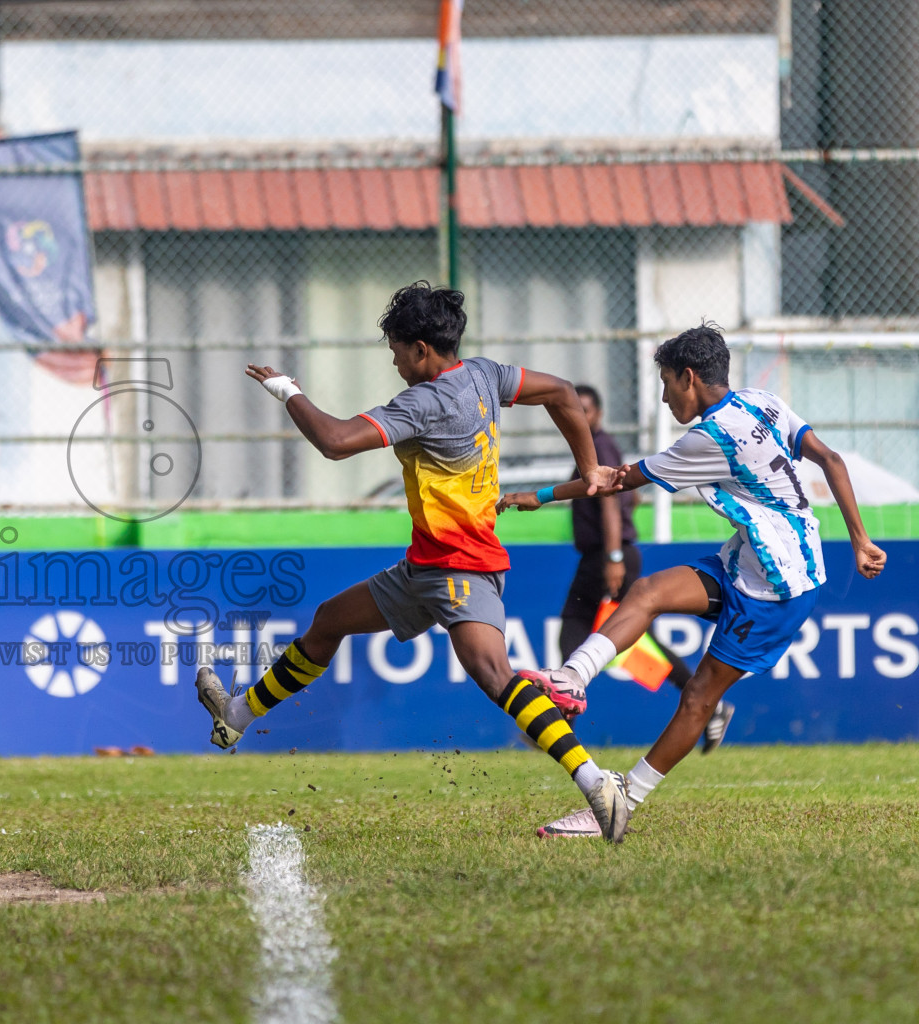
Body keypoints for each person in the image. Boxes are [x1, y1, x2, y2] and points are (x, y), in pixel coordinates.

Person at [192, 281, 634, 843]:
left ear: (422, 349)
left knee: (493, 675)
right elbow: (564, 392)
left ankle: (597, 785)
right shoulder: (484, 375)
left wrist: (288, 392)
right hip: (426, 567)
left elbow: (333, 441)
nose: (395, 360)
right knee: (329, 621)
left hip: (459, 567)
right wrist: (589, 467)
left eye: (398, 349)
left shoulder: (423, 403)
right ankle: (236, 718)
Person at [500, 324, 886, 837]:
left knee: (700, 697)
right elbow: (830, 458)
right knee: (647, 592)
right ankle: (571, 680)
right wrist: (859, 540)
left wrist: (541, 495)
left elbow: (617, 479)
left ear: (688, 377)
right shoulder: (761, 402)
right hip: (751, 557)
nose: (663, 397)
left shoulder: (708, 438)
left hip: (779, 584)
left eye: (665, 383)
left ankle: (621, 805)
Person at [556, 384, 734, 754]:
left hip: (607, 556)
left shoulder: (599, 446)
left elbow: (610, 504)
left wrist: (614, 555)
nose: (581, 420)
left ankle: (561, 718)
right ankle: (562, 715)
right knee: (617, 635)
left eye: (585, 411)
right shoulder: (602, 448)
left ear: (598, 415)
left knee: (591, 629)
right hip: (607, 554)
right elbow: (630, 496)